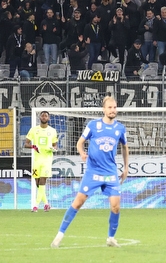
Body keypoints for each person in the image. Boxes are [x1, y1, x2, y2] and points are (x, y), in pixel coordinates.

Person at [52, 96, 129, 248]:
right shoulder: (93, 125)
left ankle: (111, 238)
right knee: (78, 203)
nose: (113, 110)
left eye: (115, 107)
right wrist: (81, 153)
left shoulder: (120, 128)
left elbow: (125, 147)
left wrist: (126, 168)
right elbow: (80, 143)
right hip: (93, 172)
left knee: (116, 206)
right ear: (103, 109)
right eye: (110, 107)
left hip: (110, 172)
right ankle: (59, 235)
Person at [25, 110, 58, 212]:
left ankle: (36, 205)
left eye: (46, 116)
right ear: (39, 117)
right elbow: (26, 144)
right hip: (37, 159)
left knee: (43, 180)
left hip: (47, 159)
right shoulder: (34, 130)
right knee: (38, 183)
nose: (44, 117)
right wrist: (33, 146)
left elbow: (55, 145)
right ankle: (47, 204)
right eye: (42, 115)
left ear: (48, 118)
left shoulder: (52, 131)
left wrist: (54, 149)